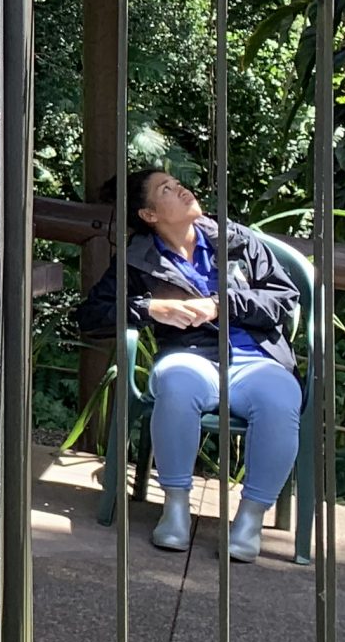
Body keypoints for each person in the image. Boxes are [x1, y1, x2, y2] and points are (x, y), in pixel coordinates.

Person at [81, 167, 304, 562]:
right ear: (149, 215)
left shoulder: (238, 241)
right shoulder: (136, 260)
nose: (182, 190)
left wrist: (222, 305)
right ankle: (176, 509)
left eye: (178, 183)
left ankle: (251, 521)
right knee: (176, 383)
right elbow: (93, 315)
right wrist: (150, 308)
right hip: (192, 357)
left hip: (257, 358)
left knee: (280, 398)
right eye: (167, 189)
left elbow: (284, 300)